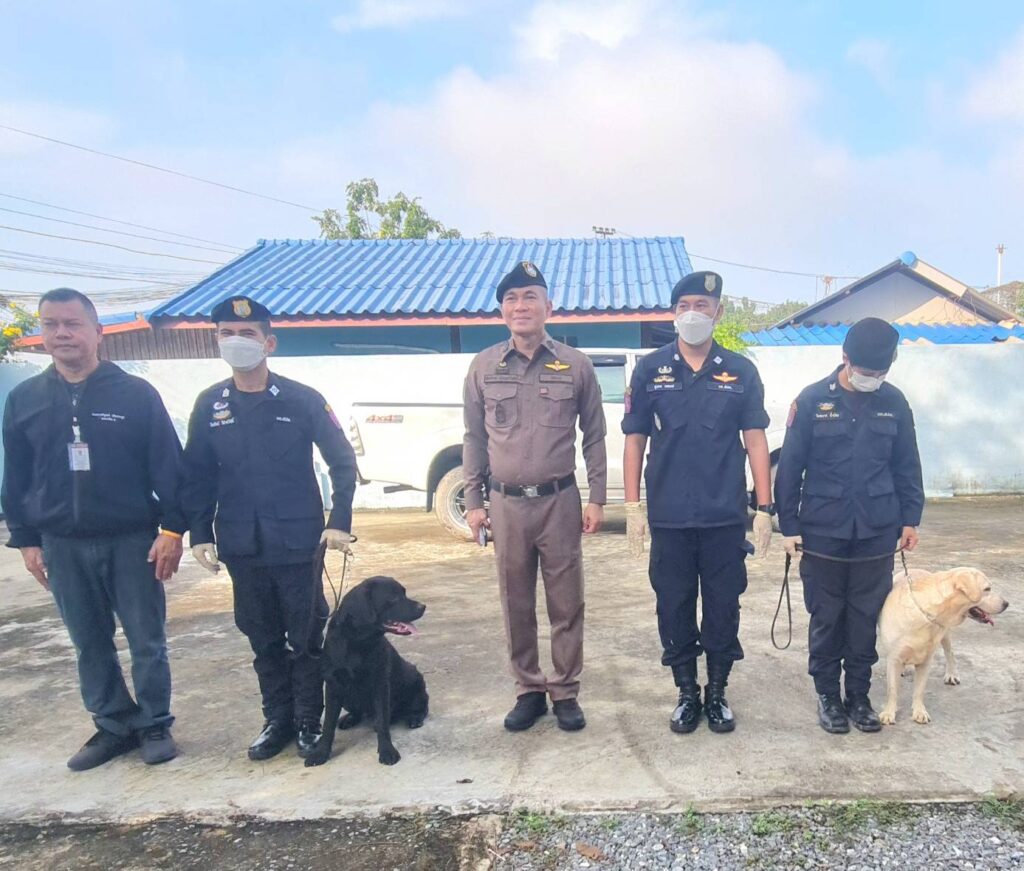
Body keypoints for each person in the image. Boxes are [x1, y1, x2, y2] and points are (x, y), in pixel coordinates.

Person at [1, 288, 185, 770]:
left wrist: (172, 530)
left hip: (131, 540)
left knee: (146, 640)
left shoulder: (135, 395)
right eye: (51, 324)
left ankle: (154, 723)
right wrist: (26, 539)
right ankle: (113, 724)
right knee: (89, 642)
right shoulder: (24, 400)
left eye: (72, 323)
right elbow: (17, 476)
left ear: (97, 332)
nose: (62, 333)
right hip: (62, 543)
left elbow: (168, 466)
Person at [181, 296, 357, 760]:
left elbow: (342, 461)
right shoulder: (210, 404)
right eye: (226, 334)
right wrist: (199, 532)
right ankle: (277, 720)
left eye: (247, 334)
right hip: (242, 544)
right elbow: (197, 473)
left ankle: (308, 720)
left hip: (298, 543)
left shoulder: (302, 400)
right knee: (262, 639)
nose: (236, 341)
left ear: (269, 343)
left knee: (306, 638)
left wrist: (339, 521)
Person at [622, 271, 772, 734]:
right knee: (674, 605)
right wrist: (632, 508)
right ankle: (687, 692)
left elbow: (755, 439)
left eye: (702, 305)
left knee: (724, 607)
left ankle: (718, 692)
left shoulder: (741, 370)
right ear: (673, 313)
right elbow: (634, 439)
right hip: (669, 516)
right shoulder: (650, 369)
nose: (693, 313)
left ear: (718, 312)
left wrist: (765, 508)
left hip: (723, 516)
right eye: (684, 305)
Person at [463, 261, 607, 732]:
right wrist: (474, 502)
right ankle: (528, 689)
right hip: (505, 505)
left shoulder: (576, 365)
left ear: (549, 306)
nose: (520, 306)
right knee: (516, 602)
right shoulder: (483, 366)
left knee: (566, 602)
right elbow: (474, 437)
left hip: (558, 502)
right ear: (502, 310)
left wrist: (597, 497)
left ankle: (565, 691)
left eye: (530, 297)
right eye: (511, 299)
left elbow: (594, 435)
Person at [774, 316, 924, 734]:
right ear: (845, 357)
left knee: (864, 615)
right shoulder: (811, 401)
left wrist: (911, 518)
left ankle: (858, 696)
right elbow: (790, 468)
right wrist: (788, 525)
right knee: (827, 615)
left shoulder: (894, 402)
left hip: (876, 529)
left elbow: (907, 464)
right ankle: (827, 696)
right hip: (822, 530)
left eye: (880, 371)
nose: (872, 377)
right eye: (865, 370)